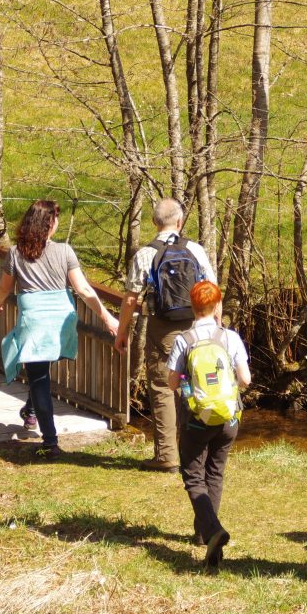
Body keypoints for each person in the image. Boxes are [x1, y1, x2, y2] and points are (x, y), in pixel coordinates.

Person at [0, 200, 119, 458]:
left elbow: (5, 286)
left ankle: (50, 442)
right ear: (49, 224)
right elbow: (83, 289)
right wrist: (106, 317)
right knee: (40, 370)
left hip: (34, 322)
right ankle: (31, 412)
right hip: (60, 321)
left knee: (38, 376)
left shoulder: (16, 253)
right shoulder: (65, 251)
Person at [114, 198, 217, 472]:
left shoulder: (146, 254)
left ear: (154, 222)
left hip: (162, 329)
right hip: (198, 326)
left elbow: (131, 299)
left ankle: (167, 456)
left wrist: (122, 332)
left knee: (163, 387)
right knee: (199, 384)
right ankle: (198, 452)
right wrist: (216, 328)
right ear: (180, 222)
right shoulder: (195, 250)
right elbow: (213, 290)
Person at [166, 281, 250, 569]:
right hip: (228, 418)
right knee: (215, 472)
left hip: (197, 420)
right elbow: (246, 379)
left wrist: (189, 384)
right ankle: (205, 535)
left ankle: (212, 531)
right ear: (217, 307)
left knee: (193, 476)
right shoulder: (230, 338)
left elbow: (171, 382)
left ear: (192, 307)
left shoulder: (184, 339)